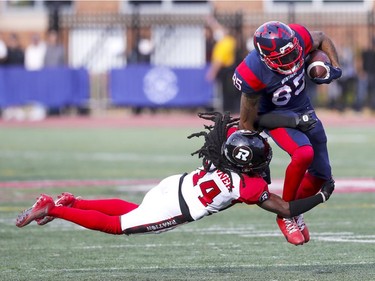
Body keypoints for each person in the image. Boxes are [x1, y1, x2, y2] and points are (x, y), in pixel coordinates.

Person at [15, 112, 334, 243]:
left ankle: (75, 201)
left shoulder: (225, 144)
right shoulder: (249, 186)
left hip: (176, 185)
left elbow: (246, 123)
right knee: (118, 226)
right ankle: (52, 208)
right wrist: (320, 197)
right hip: (179, 207)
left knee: (130, 211)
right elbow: (286, 209)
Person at [232, 21, 341, 245]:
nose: (291, 60)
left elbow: (321, 37)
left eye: (293, 53)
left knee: (322, 175)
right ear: (265, 57)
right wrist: (256, 148)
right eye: (283, 57)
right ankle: (286, 215)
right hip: (276, 117)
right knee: (303, 154)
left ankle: (293, 210)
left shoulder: (298, 36)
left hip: (303, 108)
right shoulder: (252, 71)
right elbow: (247, 121)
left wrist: (335, 67)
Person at [206, 16, 239, 113]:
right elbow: (219, 28)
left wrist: (212, 73)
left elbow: (218, 61)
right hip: (228, 70)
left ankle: (226, 110)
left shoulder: (225, 43)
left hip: (226, 70)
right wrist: (212, 21)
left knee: (224, 93)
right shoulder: (227, 41)